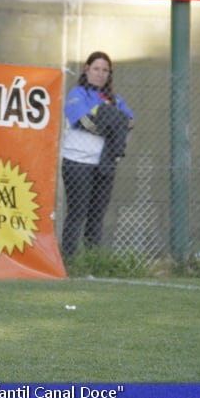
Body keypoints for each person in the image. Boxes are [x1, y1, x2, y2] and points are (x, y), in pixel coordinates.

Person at [60, 51, 134, 258]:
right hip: (78, 163)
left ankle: (92, 260)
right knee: (77, 213)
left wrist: (108, 119)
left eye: (105, 70)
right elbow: (84, 122)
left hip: (104, 163)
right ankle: (69, 260)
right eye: (96, 69)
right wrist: (111, 123)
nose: (100, 74)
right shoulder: (77, 93)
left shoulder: (116, 99)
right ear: (87, 70)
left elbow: (128, 122)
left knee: (97, 215)